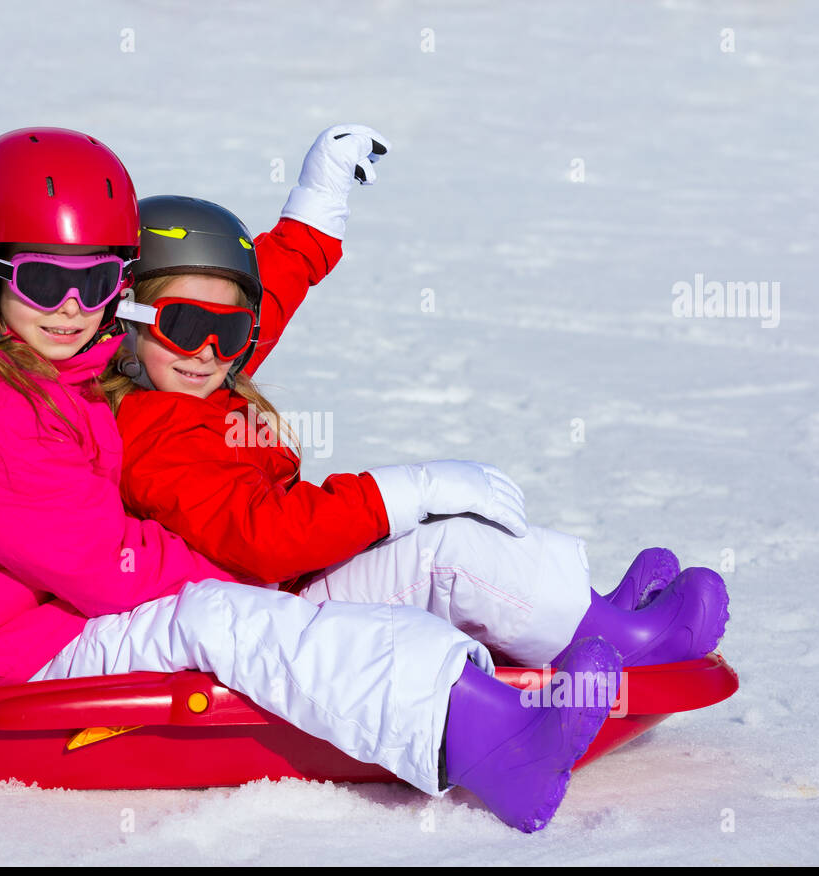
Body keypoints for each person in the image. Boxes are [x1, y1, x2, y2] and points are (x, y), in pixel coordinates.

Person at [0, 126, 626, 834]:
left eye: (101, 280)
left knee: (333, 580)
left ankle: (603, 631)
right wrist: (246, 576)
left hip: (78, 606)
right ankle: (488, 738)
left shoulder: (87, 352)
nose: (74, 308)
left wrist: (315, 214)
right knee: (220, 620)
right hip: (41, 645)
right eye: (45, 283)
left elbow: (216, 316)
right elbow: (102, 566)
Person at [105, 125, 730, 670]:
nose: (209, 350)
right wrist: (405, 491)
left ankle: (587, 614)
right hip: (269, 613)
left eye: (232, 330)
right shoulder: (155, 432)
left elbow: (267, 295)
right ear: (126, 320)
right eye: (183, 325)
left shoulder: (184, 369)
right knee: (446, 553)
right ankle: (616, 641)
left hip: (291, 584)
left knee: (450, 526)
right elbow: (264, 536)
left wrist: (315, 209)